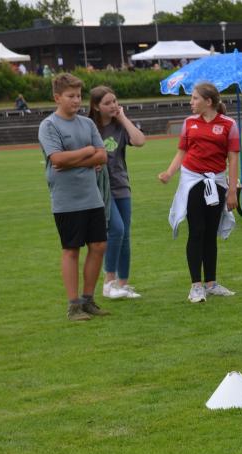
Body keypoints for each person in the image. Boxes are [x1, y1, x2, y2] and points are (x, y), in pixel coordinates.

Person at [158, 83, 240, 304]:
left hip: (218, 183)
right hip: (193, 181)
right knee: (197, 231)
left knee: (210, 233)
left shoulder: (229, 125)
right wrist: (169, 172)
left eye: (195, 98)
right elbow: (182, 152)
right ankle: (196, 286)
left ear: (208, 102)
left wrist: (232, 191)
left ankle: (211, 283)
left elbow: (233, 159)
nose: (191, 102)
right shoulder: (189, 123)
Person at [37, 73, 109, 322]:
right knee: (71, 250)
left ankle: (88, 300)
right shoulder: (49, 126)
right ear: (57, 97)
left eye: (79, 95)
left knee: (99, 246)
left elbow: (102, 156)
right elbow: (57, 159)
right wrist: (88, 152)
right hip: (67, 199)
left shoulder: (87, 124)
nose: (76, 100)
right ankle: (73, 306)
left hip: (92, 196)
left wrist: (79, 157)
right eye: (71, 96)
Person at [88, 85, 147, 299]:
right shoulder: (89, 127)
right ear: (96, 106)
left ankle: (123, 284)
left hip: (122, 185)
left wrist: (122, 118)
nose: (113, 105)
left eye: (115, 101)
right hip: (100, 188)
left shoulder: (120, 126)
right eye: (107, 103)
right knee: (116, 230)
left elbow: (139, 141)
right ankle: (109, 282)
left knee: (125, 235)